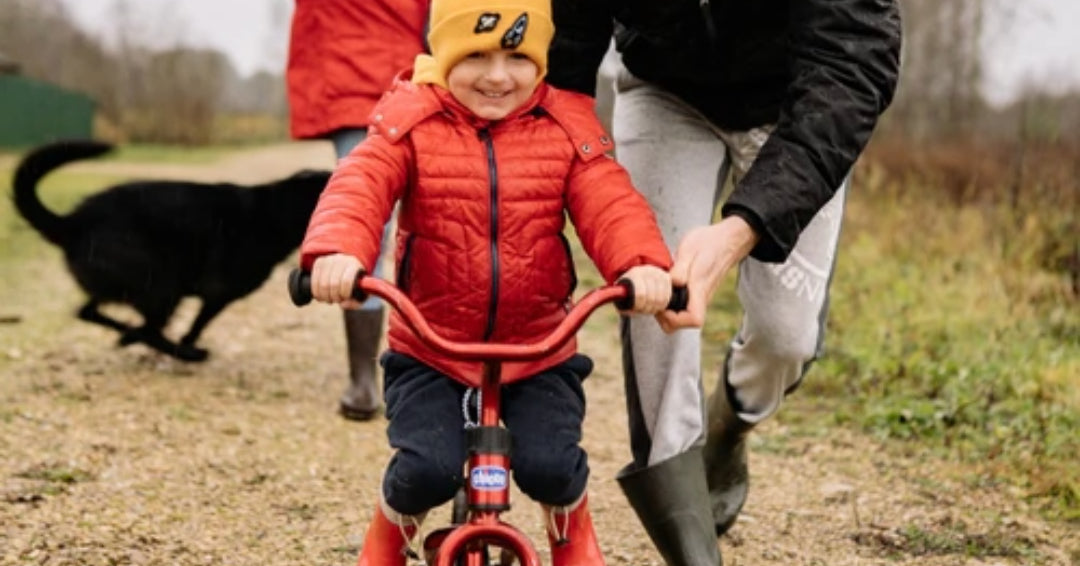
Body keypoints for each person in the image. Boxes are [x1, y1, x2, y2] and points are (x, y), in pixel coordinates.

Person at [298, 0, 676, 564]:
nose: (498, 76)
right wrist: (336, 254)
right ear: (444, 53)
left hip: (538, 348)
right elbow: (360, 184)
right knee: (425, 468)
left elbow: (610, 201)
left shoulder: (567, 124)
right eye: (475, 54)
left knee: (553, 465)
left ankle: (572, 534)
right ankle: (388, 534)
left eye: (516, 57)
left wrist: (641, 264)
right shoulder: (410, 120)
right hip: (432, 349)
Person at [546, 1, 903, 565]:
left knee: (785, 339)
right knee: (655, 295)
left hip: (796, 101)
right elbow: (568, 40)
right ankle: (691, 546)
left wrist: (740, 230)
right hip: (663, 88)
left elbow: (852, 70)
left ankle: (728, 425)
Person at [286, 0, 430, 421]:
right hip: (414, 73)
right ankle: (393, 375)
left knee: (364, 227)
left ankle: (365, 380)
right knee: (424, 221)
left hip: (355, 79)